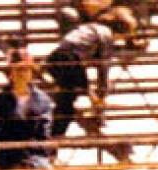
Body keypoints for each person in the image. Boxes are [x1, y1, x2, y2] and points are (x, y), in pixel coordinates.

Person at [45, 6, 138, 141]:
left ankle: (55, 130)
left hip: (54, 58)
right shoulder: (106, 35)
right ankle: (94, 115)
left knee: (67, 99)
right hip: (70, 59)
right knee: (74, 96)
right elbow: (103, 70)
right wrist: (99, 96)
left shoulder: (91, 27)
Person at [0, 47, 54, 170]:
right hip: (7, 158)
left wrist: (31, 161)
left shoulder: (43, 100)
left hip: (36, 157)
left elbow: (43, 134)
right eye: (18, 69)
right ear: (10, 73)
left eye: (26, 69)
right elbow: (0, 134)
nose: (22, 74)